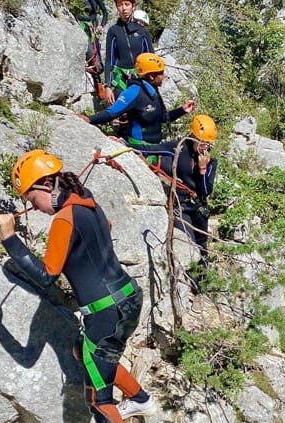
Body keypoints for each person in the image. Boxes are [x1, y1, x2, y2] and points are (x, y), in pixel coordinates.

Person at [0, 149, 156, 423]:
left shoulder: (64, 219)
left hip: (104, 314)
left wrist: (10, 240)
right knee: (96, 356)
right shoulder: (88, 203)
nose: (31, 206)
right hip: (128, 298)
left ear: (45, 186)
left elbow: (48, 274)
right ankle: (140, 397)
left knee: (100, 400)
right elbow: (107, 230)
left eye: (30, 198)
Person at [131, 114, 218, 261]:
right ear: (193, 137)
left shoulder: (210, 162)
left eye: (209, 144)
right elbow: (150, 149)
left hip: (199, 207)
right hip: (181, 205)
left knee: (202, 246)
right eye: (202, 143)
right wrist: (126, 145)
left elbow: (206, 190)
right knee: (188, 246)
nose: (206, 147)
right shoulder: (178, 148)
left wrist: (202, 170)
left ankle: (201, 280)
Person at [78, 53, 196, 146]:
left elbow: (161, 118)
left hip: (154, 146)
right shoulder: (134, 92)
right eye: (161, 73)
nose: (164, 76)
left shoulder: (153, 90)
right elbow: (111, 113)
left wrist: (182, 110)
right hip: (140, 147)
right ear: (151, 76)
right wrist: (89, 119)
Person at [104, 0, 154, 105]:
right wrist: (107, 86)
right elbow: (109, 59)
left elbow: (151, 57)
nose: (124, 8)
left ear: (133, 6)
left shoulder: (142, 31)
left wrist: (152, 81)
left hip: (139, 78)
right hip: (119, 79)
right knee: (121, 112)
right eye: (120, 5)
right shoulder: (113, 31)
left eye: (127, 4)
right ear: (117, 8)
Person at [74, 0, 108, 78]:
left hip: (90, 26)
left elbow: (104, 11)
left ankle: (96, 72)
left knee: (98, 65)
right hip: (77, 24)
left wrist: (102, 25)